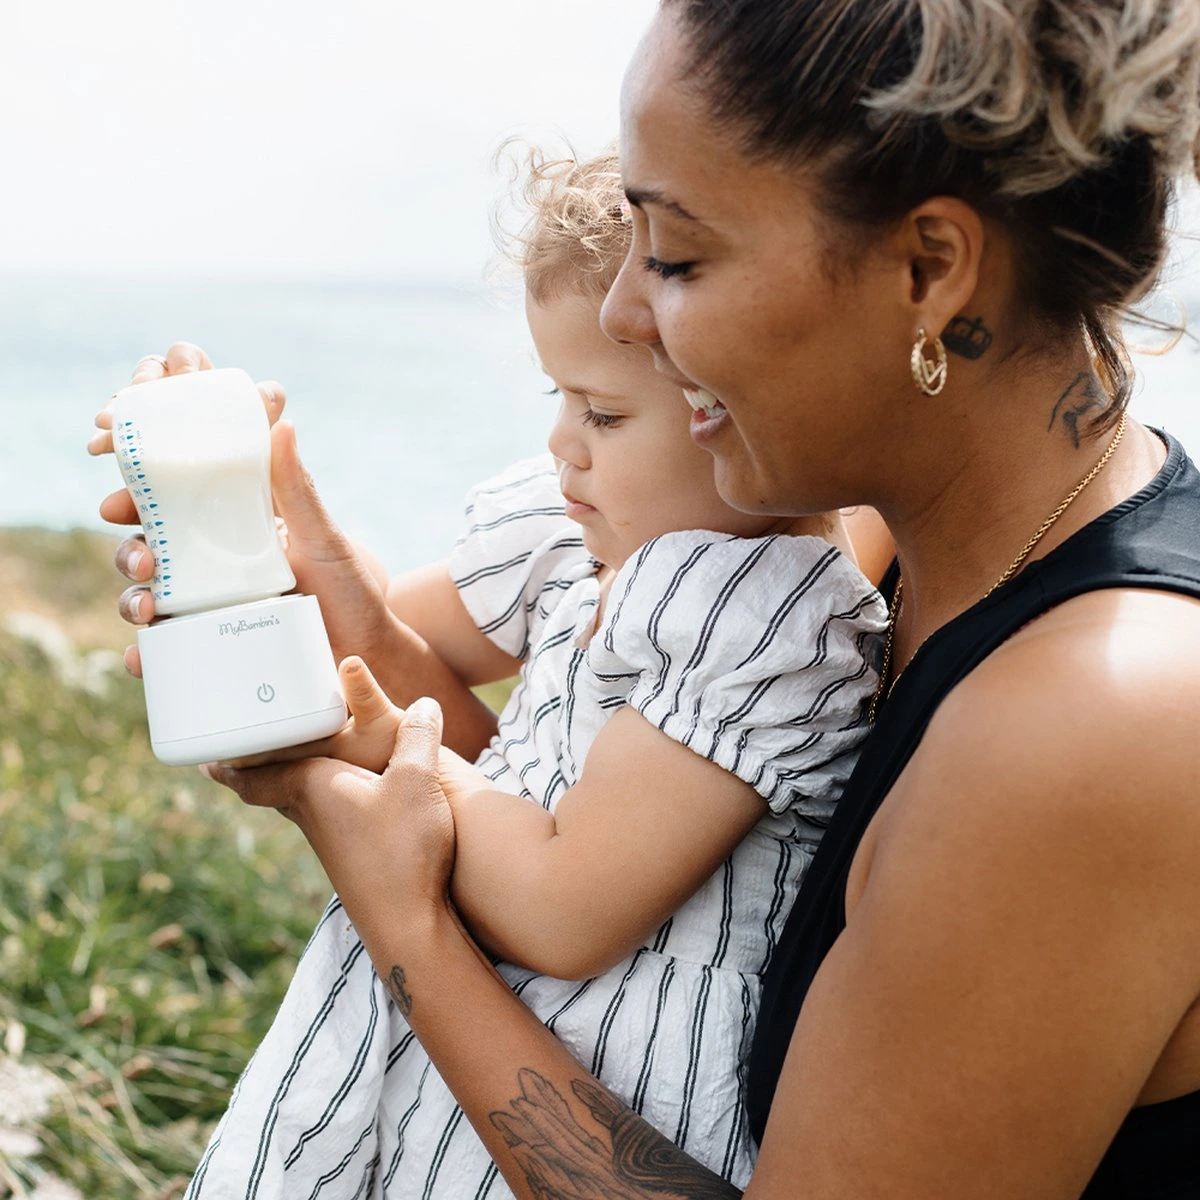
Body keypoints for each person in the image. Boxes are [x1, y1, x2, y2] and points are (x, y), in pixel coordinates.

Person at [99, 0, 1200, 1194]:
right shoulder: (879, 527)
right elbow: (566, 780)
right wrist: (309, 595)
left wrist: (401, 915)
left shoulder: (1094, 725)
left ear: (929, 269)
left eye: (677, 256)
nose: (627, 314)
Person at [93, 151, 887, 1196]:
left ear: (746, 400)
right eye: (558, 396)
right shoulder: (579, 532)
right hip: (444, 1050)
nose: (564, 443)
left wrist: (387, 752)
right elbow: (388, 661)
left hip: (606, 1075)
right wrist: (272, 536)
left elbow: (566, 908)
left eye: (604, 415)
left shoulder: (767, 614)